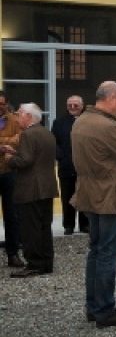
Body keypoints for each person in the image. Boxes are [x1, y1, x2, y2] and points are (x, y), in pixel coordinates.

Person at [73, 81, 116, 328]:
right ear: (111, 98)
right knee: (107, 254)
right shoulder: (108, 127)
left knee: (96, 250)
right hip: (111, 195)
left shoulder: (81, 121)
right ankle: (105, 309)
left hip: (90, 193)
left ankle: (94, 306)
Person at [3, 103, 58, 277]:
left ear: (28, 116)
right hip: (46, 187)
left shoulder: (27, 134)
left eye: (19, 114)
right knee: (43, 227)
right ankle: (46, 262)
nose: (17, 117)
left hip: (31, 188)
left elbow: (25, 161)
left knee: (30, 228)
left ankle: (34, 263)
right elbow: (36, 157)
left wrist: (10, 158)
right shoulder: (46, 132)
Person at [51, 95, 87, 236]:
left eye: (75, 105)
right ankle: (68, 225)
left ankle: (85, 224)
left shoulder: (88, 121)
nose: (72, 107)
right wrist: (61, 157)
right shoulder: (59, 122)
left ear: (82, 106)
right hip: (66, 167)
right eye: (69, 105)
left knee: (84, 196)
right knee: (67, 197)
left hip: (85, 167)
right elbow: (54, 143)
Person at [0, 91, 24, 268]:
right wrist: (3, 145)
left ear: (7, 104)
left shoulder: (16, 120)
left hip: (10, 172)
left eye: (1, 103)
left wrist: (7, 143)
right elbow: (12, 141)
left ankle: (13, 253)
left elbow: (21, 138)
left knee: (12, 215)